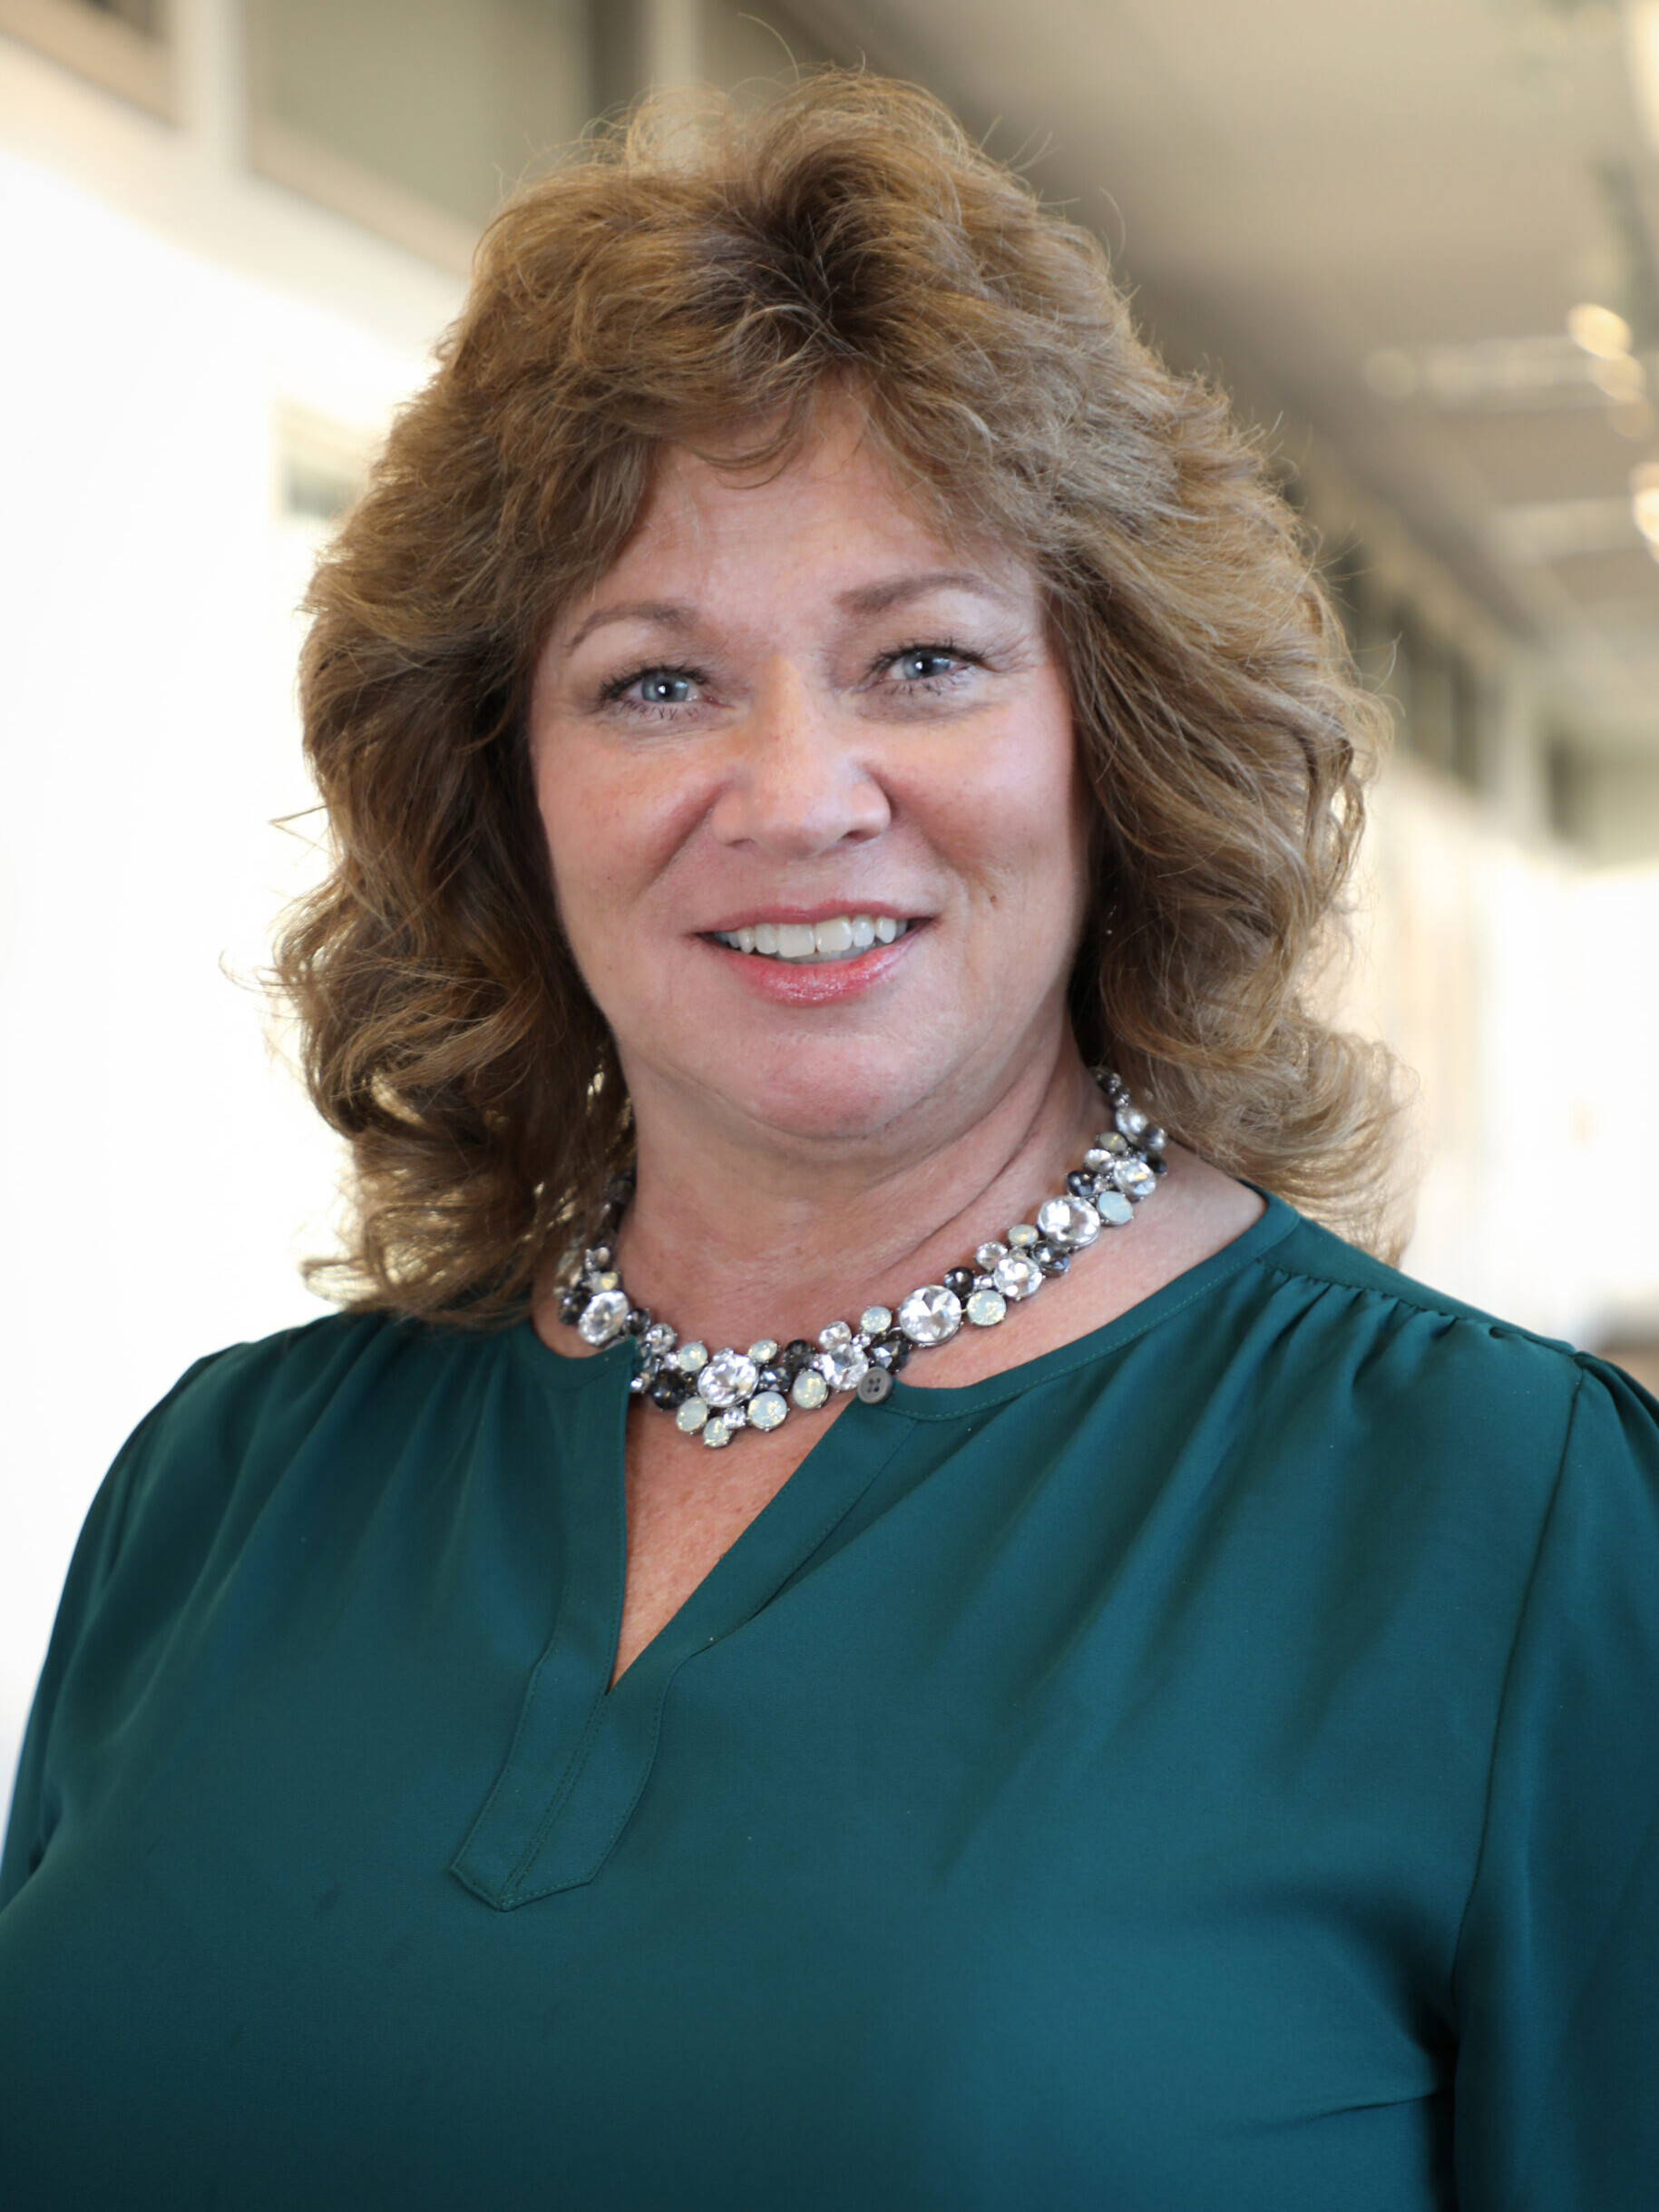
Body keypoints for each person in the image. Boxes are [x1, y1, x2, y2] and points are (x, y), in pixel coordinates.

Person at [2, 73, 1655, 2211]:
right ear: (500, 788)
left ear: (1113, 738)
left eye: (925, 660)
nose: (798, 794)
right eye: (655, 684)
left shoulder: (1512, 1536)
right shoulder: (225, 1491)